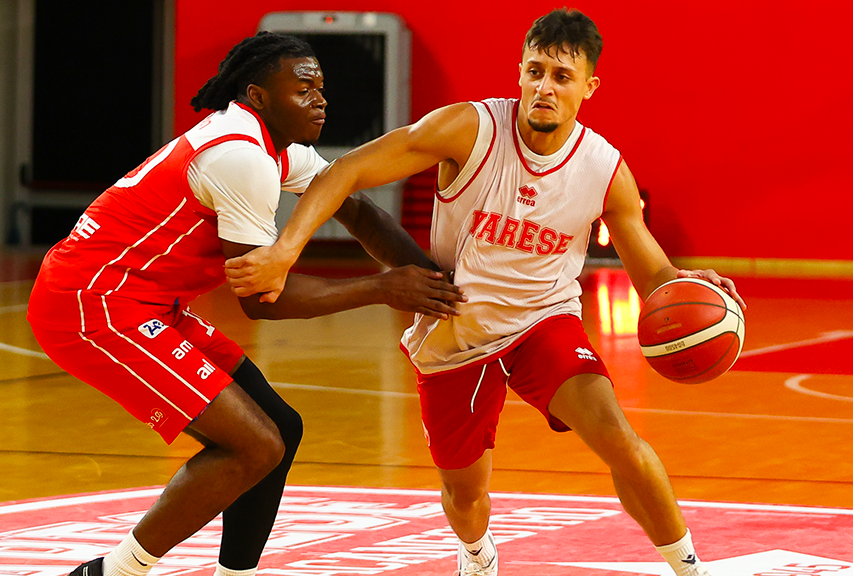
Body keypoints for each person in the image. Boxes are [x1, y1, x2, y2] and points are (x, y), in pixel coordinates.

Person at [224, 9, 748, 576]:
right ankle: (477, 553)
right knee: (466, 495)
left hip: (543, 324)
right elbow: (345, 170)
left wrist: (686, 285)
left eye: (562, 77)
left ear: (589, 87)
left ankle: (689, 567)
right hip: (455, 330)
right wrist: (284, 250)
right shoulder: (469, 130)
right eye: (536, 71)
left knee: (618, 438)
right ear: (519, 71)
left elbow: (653, 275)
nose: (545, 87)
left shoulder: (603, 169)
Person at [26, 32, 464, 576]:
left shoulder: (272, 145)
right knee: (255, 445)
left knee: (281, 428)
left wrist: (435, 282)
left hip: (147, 301)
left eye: (321, 87)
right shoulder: (240, 158)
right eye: (304, 89)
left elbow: (359, 212)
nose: (321, 100)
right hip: (93, 303)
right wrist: (383, 288)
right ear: (258, 96)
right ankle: (110, 573)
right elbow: (262, 301)